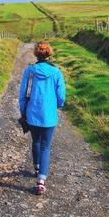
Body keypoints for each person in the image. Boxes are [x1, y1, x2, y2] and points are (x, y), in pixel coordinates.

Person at [18, 41, 66, 195]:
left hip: (32, 113)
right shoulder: (57, 72)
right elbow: (61, 96)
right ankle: (41, 181)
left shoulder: (30, 71)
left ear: (36, 54)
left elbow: (22, 93)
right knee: (46, 146)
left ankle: (37, 166)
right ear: (49, 53)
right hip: (49, 115)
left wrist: (22, 111)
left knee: (36, 142)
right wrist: (57, 105)